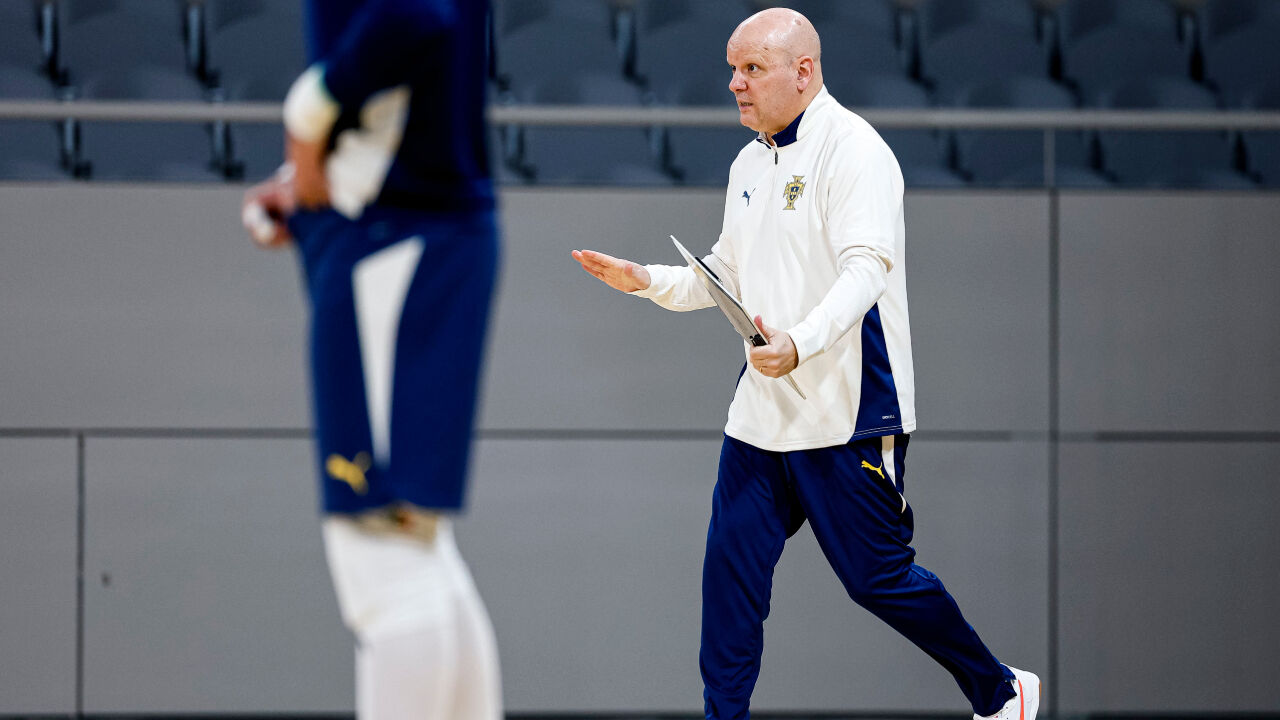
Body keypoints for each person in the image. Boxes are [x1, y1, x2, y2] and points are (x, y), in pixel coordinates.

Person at [571, 8, 1039, 720]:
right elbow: (726, 273)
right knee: (729, 581)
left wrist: (799, 342)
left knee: (877, 579)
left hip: (848, 408)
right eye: (733, 69)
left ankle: (1001, 690)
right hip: (761, 414)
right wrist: (649, 281)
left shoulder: (856, 151)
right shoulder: (749, 162)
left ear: (804, 70)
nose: (735, 83)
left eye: (752, 68)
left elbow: (866, 270)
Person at [240, 1, 501, 718]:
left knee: (380, 555)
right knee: (414, 547)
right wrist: (320, 173)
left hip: (394, 237)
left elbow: (416, 14)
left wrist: (308, 118)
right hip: (411, 229)